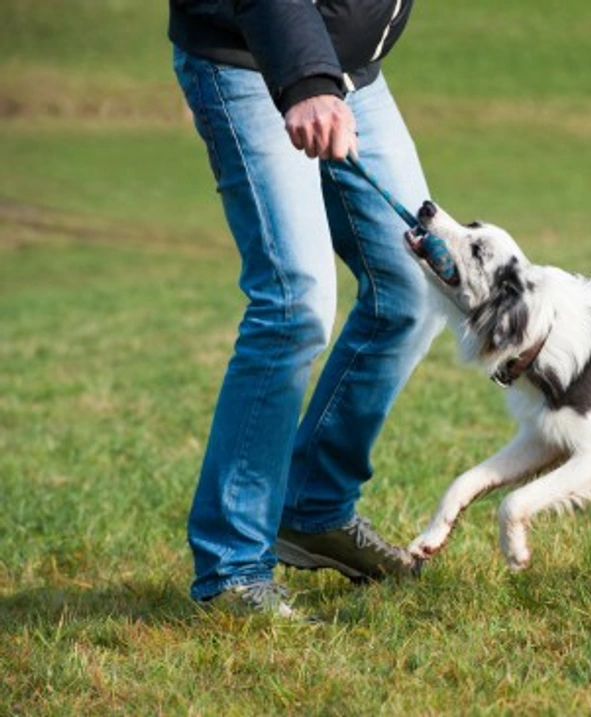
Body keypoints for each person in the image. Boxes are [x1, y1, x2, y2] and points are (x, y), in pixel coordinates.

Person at [169, 0, 440, 618]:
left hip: (351, 74)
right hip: (246, 57)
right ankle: (232, 569)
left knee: (414, 288)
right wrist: (307, 81)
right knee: (295, 304)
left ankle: (312, 509)